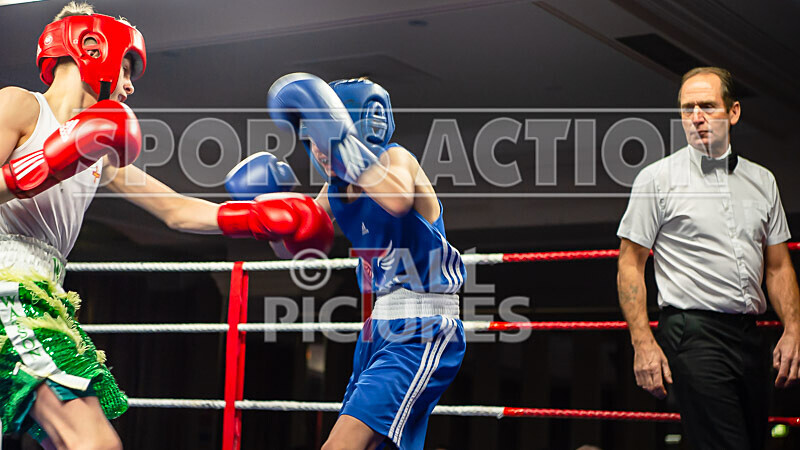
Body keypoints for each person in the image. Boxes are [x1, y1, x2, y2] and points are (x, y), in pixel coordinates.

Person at [0, 3, 332, 448]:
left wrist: (255, 217)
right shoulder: (20, 105)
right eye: (126, 68)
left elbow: (175, 210)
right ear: (91, 48)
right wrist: (47, 163)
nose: (130, 85)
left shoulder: (98, 147)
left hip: (46, 293)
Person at [258, 74, 467, 450]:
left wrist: (341, 143)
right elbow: (295, 249)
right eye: (310, 142)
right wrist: (269, 215)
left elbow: (397, 198)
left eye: (322, 138)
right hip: (376, 329)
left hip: (422, 325)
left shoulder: (396, 159)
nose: (319, 153)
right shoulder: (334, 188)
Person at [617, 66, 800, 449]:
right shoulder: (657, 180)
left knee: (753, 442)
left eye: (707, 106)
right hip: (692, 332)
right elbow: (630, 263)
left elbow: (779, 265)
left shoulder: (762, 181)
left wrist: (794, 329)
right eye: (687, 108)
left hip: (751, 335)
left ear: (733, 112)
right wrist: (643, 342)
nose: (696, 118)